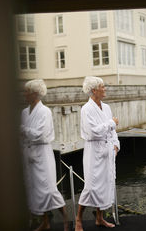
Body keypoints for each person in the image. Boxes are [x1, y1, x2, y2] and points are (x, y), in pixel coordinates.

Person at [20, 79, 69, 231]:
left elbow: (41, 135)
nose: (24, 94)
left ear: (35, 93)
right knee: (34, 189)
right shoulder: (24, 112)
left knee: (48, 189)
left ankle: (67, 220)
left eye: (27, 91)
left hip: (42, 153)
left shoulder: (45, 112)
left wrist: (24, 130)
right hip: (29, 154)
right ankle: (45, 222)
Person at [75, 76, 120, 231]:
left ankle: (100, 218)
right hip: (94, 152)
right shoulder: (86, 109)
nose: (105, 88)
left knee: (106, 184)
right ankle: (78, 219)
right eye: (102, 86)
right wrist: (111, 123)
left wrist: (115, 145)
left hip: (108, 151)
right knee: (91, 186)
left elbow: (112, 131)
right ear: (94, 90)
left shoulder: (106, 108)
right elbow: (93, 132)